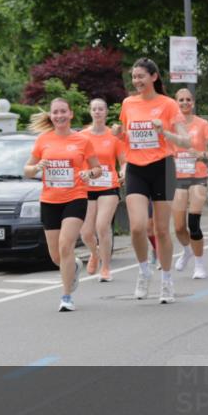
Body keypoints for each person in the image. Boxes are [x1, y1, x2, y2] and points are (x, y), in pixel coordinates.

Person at [110, 58, 190, 303]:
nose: (137, 81)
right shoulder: (128, 103)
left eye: (141, 76)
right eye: (134, 77)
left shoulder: (167, 105)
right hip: (136, 168)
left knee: (162, 230)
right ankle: (144, 270)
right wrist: (119, 133)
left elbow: (185, 141)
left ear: (154, 77)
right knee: (137, 227)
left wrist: (163, 132)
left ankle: (166, 280)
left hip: (163, 168)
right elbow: (127, 137)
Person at [25, 98, 102, 312]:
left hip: (75, 197)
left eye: (63, 112)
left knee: (65, 245)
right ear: (51, 116)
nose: (59, 116)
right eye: (55, 112)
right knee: (56, 256)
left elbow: (98, 169)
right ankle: (75, 266)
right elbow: (27, 169)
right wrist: (37, 167)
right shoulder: (43, 140)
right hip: (49, 200)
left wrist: (89, 173)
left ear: (70, 115)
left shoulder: (82, 141)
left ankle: (66, 296)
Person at [171, 88, 208, 279]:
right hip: (177, 178)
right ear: (176, 103)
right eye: (181, 100)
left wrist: (201, 155)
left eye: (188, 100)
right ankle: (187, 251)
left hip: (198, 177)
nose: (185, 103)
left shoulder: (203, 124)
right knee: (178, 227)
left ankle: (199, 265)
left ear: (193, 102)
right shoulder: (171, 126)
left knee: (194, 222)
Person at [80, 98, 126, 282]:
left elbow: (124, 161)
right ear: (90, 112)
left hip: (108, 185)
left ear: (106, 112)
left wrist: (124, 172)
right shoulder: (82, 136)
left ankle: (106, 268)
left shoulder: (113, 136)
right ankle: (94, 252)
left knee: (102, 226)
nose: (97, 112)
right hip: (87, 186)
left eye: (101, 109)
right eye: (94, 109)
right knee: (86, 233)